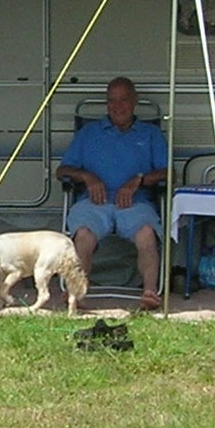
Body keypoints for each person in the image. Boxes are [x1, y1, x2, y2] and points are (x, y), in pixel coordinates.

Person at [56, 76, 170, 309]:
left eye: (124, 100)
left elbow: (170, 173)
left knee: (147, 234)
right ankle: (76, 294)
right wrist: (87, 176)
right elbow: (62, 170)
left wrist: (139, 180)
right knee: (84, 235)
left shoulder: (150, 134)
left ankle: (150, 292)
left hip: (134, 203)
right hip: (94, 202)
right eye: (112, 101)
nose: (118, 107)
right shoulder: (89, 133)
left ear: (135, 101)